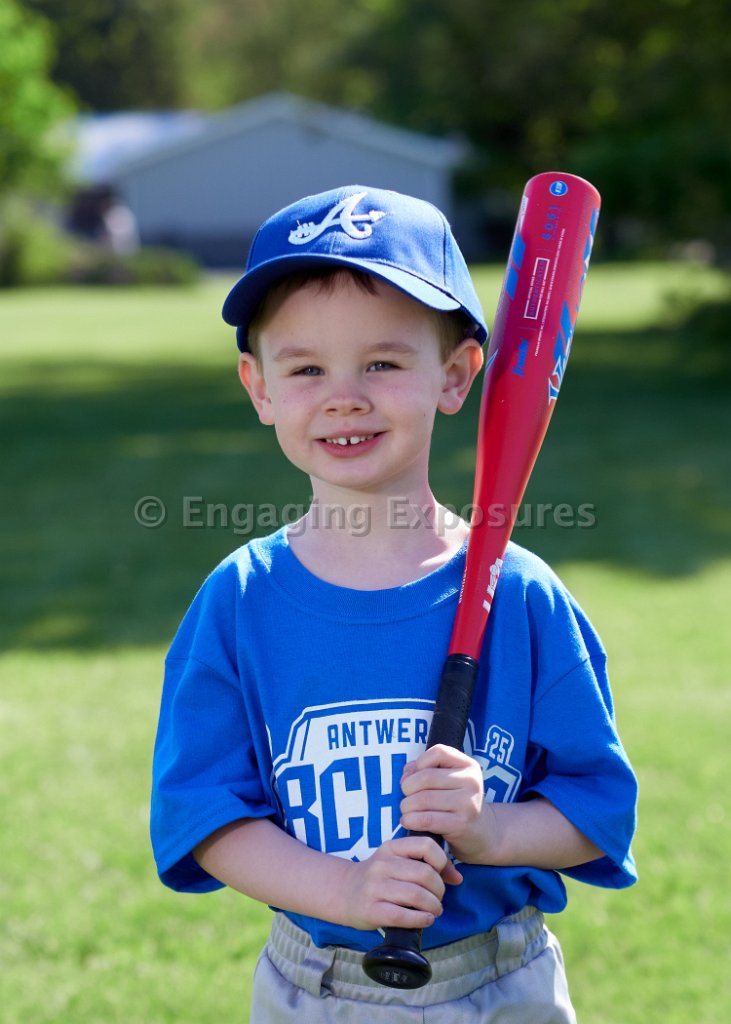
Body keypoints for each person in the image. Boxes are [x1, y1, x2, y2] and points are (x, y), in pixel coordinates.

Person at [150, 185, 637, 1023]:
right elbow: (206, 815)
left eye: (381, 363)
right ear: (259, 387)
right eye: (305, 368)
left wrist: (491, 832)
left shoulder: (521, 595)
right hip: (317, 988)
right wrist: (344, 888)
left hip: (499, 985)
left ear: (454, 375)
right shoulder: (241, 600)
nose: (344, 395)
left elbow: (595, 810)